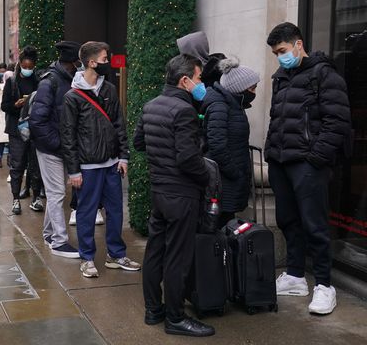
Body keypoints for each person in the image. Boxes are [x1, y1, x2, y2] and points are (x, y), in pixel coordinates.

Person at [265, 22, 351, 315]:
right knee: (288, 221)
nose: (280, 57)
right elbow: (277, 117)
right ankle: (295, 276)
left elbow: (337, 123)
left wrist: (315, 159)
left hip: (306, 164)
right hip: (280, 161)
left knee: (315, 224)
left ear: (299, 44)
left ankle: (325, 286)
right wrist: (271, 153)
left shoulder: (325, 74)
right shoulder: (281, 77)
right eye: (276, 53)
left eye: (283, 50)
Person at [134, 54, 215, 337]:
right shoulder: (184, 111)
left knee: (155, 251)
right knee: (177, 258)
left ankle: (153, 310)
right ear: (185, 80)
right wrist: (207, 177)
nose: (201, 83)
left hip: (159, 191)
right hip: (181, 194)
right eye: (199, 77)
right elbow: (188, 159)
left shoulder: (151, 105)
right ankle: (176, 318)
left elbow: (139, 143)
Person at [61, 41, 139, 275]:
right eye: (105, 59)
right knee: (86, 212)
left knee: (116, 212)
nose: (108, 63)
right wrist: (73, 171)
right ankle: (87, 258)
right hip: (87, 167)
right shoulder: (72, 97)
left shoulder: (109, 90)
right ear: (92, 62)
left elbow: (119, 125)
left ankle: (116, 255)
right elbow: (68, 136)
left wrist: (123, 157)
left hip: (111, 164)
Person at [30, 41, 82, 258]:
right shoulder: (50, 82)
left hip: (58, 147)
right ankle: (59, 241)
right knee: (57, 193)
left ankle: (50, 233)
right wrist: (57, 144)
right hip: (50, 148)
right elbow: (37, 120)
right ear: (72, 61)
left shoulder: (66, 80)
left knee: (55, 192)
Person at [201, 57, 260, 228]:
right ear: (239, 88)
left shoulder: (234, 105)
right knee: (219, 226)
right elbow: (217, 146)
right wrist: (236, 173)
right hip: (224, 180)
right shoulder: (220, 106)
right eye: (252, 87)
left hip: (230, 180)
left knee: (226, 223)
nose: (255, 92)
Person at [2, 46, 42, 214]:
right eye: (24, 66)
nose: (27, 69)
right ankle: (15, 199)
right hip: (17, 130)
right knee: (17, 165)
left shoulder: (39, 81)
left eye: (30, 67)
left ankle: (36, 197)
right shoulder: (11, 82)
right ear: (19, 64)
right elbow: (4, 106)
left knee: (35, 165)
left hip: (34, 129)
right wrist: (16, 105)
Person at [0, 71, 12, 169]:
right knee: (2, 139)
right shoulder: (0, 88)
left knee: (11, 139)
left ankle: (10, 158)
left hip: (13, 114)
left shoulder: (15, 85)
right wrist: (7, 105)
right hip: (4, 114)